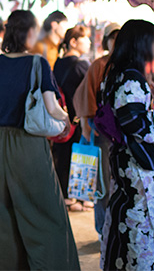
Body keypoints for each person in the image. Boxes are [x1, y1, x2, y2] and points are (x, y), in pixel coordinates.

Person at [0, 10, 80, 270]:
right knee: (45, 210)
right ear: (28, 32)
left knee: (4, 212)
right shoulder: (37, 63)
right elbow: (51, 107)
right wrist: (68, 119)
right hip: (28, 143)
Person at [98, 19, 154, 270]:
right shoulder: (132, 78)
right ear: (142, 44)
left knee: (128, 221)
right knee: (142, 224)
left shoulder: (115, 74)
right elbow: (134, 125)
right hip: (138, 165)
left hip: (124, 160)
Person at [73, 22, 120, 234]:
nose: (116, 41)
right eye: (113, 37)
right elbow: (85, 97)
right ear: (106, 40)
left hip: (124, 134)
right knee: (103, 184)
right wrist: (86, 126)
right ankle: (104, 230)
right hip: (102, 133)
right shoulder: (99, 65)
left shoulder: (131, 64)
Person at [51, 25, 91, 212]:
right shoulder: (82, 65)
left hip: (60, 119)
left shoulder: (57, 64)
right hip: (78, 120)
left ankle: (65, 196)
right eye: (86, 38)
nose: (89, 42)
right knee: (80, 156)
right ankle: (78, 197)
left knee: (62, 156)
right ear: (73, 42)